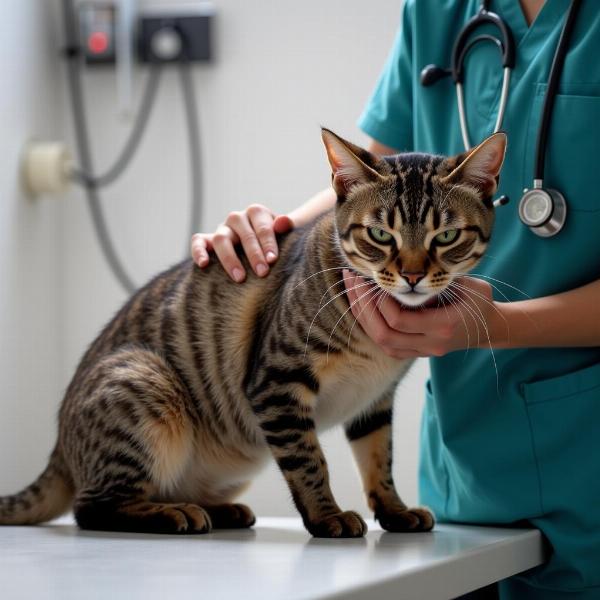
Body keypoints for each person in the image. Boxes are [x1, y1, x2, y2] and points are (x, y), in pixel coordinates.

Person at [191, 1, 600, 598]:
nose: (409, 272)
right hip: (465, 462)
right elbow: (372, 175)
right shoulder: (438, 10)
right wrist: (267, 239)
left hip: (586, 459)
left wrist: (500, 326)